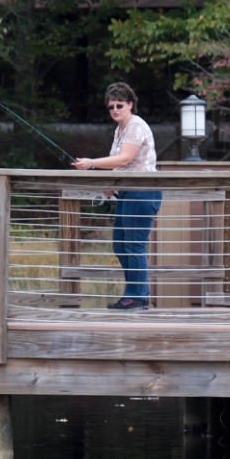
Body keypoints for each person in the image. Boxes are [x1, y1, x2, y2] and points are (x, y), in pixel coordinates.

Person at [71, 81, 161, 311]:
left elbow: (125, 158)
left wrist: (91, 163)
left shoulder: (135, 126)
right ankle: (135, 293)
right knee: (120, 245)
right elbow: (120, 164)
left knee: (134, 246)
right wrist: (110, 184)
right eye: (111, 107)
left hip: (143, 191)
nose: (115, 110)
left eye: (119, 105)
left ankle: (138, 297)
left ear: (131, 104)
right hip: (127, 191)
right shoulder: (119, 130)